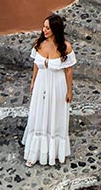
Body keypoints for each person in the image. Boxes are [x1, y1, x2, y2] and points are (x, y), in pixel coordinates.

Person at [22, 13, 76, 167]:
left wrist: (69, 91)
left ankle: (53, 152)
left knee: (54, 115)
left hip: (58, 85)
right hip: (41, 84)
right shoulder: (38, 43)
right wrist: (33, 81)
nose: (44, 30)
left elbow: (69, 71)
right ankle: (34, 153)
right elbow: (35, 64)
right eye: (44, 27)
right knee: (38, 114)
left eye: (48, 28)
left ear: (55, 29)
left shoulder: (65, 47)